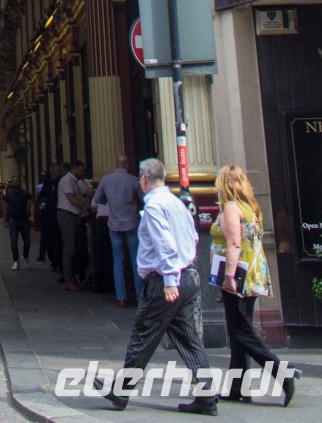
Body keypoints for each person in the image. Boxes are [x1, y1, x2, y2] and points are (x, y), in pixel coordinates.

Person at [107, 157, 214, 415]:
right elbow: (194, 236)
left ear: (144, 179)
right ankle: (207, 397)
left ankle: (120, 391)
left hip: (165, 281)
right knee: (187, 338)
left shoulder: (154, 206)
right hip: (186, 275)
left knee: (143, 333)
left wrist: (168, 280)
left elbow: (165, 244)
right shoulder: (176, 203)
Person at [211, 162, 296, 407]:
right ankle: (238, 387)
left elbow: (234, 243)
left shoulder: (231, 208)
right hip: (252, 274)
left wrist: (228, 277)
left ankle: (282, 374)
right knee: (240, 330)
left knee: (240, 331)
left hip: (237, 277)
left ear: (224, 184)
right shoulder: (250, 207)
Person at [93, 156, 143, 307]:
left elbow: (96, 200)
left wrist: (109, 202)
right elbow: (143, 198)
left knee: (118, 261)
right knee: (135, 259)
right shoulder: (133, 180)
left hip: (114, 224)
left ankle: (121, 297)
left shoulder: (106, 180)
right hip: (131, 223)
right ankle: (140, 296)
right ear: (127, 165)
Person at [58, 159, 92, 289]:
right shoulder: (67, 180)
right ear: (75, 169)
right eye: (81, 170)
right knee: (69, 248)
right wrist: (86, 205)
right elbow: (71, 197)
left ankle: (73, 278)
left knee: (74, 248)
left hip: (74, 216)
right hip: (67, 216)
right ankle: (69, 280)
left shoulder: (74, 181)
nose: (82, 172)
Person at [37, 165, 63, 274]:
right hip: (50, 215)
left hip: (58, 214)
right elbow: (41, 194)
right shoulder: (49, 182)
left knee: (58, 241)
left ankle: (59, 264)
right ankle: (55, 263)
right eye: (53, 171)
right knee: (50, 241)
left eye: (56, 171)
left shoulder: (61, 181)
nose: (54, 173)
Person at [4, 174, 31, 269]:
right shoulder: (9, 194)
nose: (15, 182)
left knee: (27, 241)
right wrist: (5, 220)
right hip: (13, 219)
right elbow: (5, 206)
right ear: (12, 182)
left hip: (24, 219)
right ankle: (16, 261)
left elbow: (30, 204)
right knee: (14, 240)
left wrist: (31, 215)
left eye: (17, 181)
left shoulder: (25, 193)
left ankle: (25, 256)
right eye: (14, 181)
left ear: (19, 182)